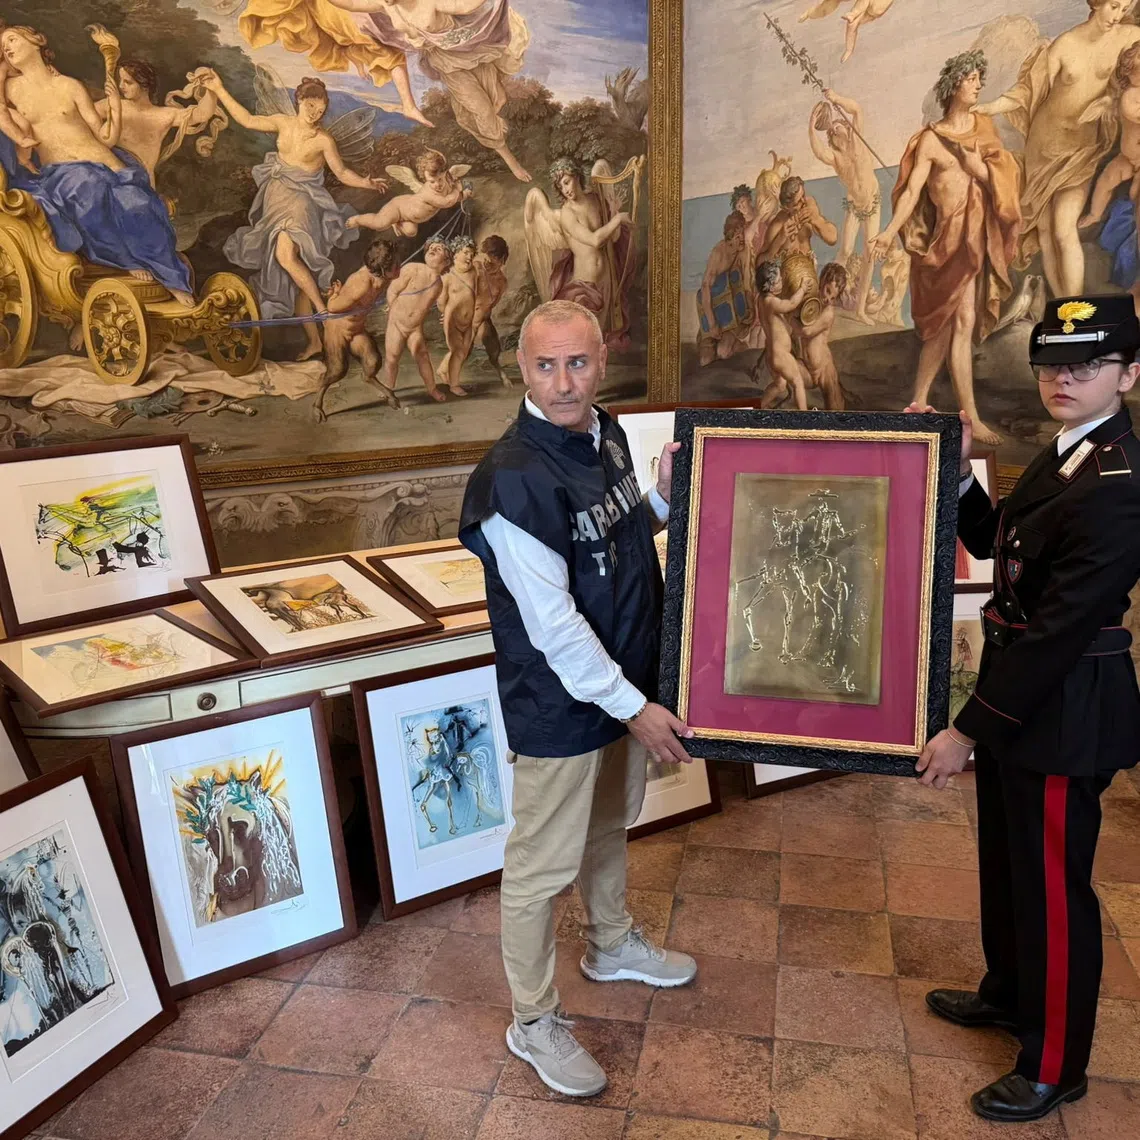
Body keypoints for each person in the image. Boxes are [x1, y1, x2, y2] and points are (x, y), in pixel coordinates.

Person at [909, 293, 1140, 1124]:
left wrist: (965, 729)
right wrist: (959, 460)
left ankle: (1053, 1064)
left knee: (1053, 891)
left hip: (1061, 709)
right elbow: (1002, 540)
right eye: (1053, 363)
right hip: (1027, 701)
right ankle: (1009, 994)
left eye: (1088, 363)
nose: (1065, 376)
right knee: (1009, 868)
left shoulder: (1116, 481)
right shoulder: (1068, 452)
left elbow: (1055, 630)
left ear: (1130, 374)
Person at [458, 299, 698, 1098]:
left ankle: (610, 944)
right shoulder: (511, 479)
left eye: (579, 363)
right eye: (546, 366)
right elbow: (556, 626)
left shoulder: (608, 433)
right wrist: (635, 706)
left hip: (622, 680)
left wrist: (662, 497)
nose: (564, 383)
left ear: (604, 360)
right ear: (521, 370)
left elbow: (619, 538)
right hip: (566, 700)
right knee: (538, 867)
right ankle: (532, 1021)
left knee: (608, 823)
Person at [870, 50, 1021, 448]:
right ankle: (919, 401)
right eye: (971, 78)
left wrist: (979, 170)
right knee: (938, 330)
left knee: (965, 320)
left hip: (971, 242)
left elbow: (1003, 179)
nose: (977, 85)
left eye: (978, 79)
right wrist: (888, 232)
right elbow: (912, 193)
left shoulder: (984, 128)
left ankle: (969, 415)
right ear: (954, 84)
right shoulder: (930, 141)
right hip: (939, 248)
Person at [0, 25, 195, 307]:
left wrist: (114, 105)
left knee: (138, 203)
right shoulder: (11, 89)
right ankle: (126, 260)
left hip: (105, 162)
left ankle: (173, 278)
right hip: (64, 173)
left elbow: (105, 137)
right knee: (89, 188)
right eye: (3, 46)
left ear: (37, 42)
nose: (7, 48)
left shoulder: (69, 85)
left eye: (12, 40)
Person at [205, 72, 388, 361]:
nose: (316, 114)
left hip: (304, 201)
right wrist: (218, 87)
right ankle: (315, 341)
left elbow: (340, 172)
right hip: (275, 196)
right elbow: (247, 120)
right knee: (296, 277)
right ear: (299, 101)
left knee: (286, 257)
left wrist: (366, 183)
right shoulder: (282, 122)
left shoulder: (324, 140)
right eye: (310, 107)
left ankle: (324, 310)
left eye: (321, 110)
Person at [975, 0, 1140, 299]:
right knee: (1047, 234)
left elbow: (1128, 80)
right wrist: (989, 107)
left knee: (1064, 228)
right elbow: (1026, 91)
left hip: (1083, 149)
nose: (1117, 16)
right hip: (1045, 146)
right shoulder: (1065, 44)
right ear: (1096, 3)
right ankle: (1065, 310)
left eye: (1124, 8)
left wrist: (1109, 102)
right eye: (1113, 6)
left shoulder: (1129, 38)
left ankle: (1077, 310)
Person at [809, 90, 880, 323]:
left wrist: (836, 98)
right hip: (854, 206)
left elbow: (857, 109)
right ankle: (826, 292)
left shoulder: (857, 141)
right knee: (846, 251)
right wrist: (812, 125)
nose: (832, 131)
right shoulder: (836, 158)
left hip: (872, 203)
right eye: (830, 133)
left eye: (837, 127)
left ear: (847, 130)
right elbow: (819, 151)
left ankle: (859, 310)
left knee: (870, 255)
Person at [313, 238, 402, 421]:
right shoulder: (360, 284)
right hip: (337, 329)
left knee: (372, 361)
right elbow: (333, 308)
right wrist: (336, 294)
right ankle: (317, 402)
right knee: (337, 370)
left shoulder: (384, 278)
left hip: (356, 329)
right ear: (382, 269)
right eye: (395, 265)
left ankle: (371, 381)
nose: (399, 266)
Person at [384, 239, 451, 402]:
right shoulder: (412, 269)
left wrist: (445, 313)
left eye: (440, 249)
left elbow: (440, 304)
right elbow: (393, 290)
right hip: (397, 324)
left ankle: (432, 389)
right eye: (431, 247)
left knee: (422, 356)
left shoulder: (439, 285)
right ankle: (388, 388)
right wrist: (392, 307)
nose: (434, 248)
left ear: (446, 261)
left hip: (415, 327)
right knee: (392, 357)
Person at [473, 235, 512, 388]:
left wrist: (483, 315)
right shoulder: (475, 268)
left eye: (494, 259)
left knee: (494, 348)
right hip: (465, 315)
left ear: (502, 260)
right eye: (487, 256)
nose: (489, 263)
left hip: (483, 318)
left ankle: (501, 374)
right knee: (463, 348)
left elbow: (492, 303)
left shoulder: (502, 282)